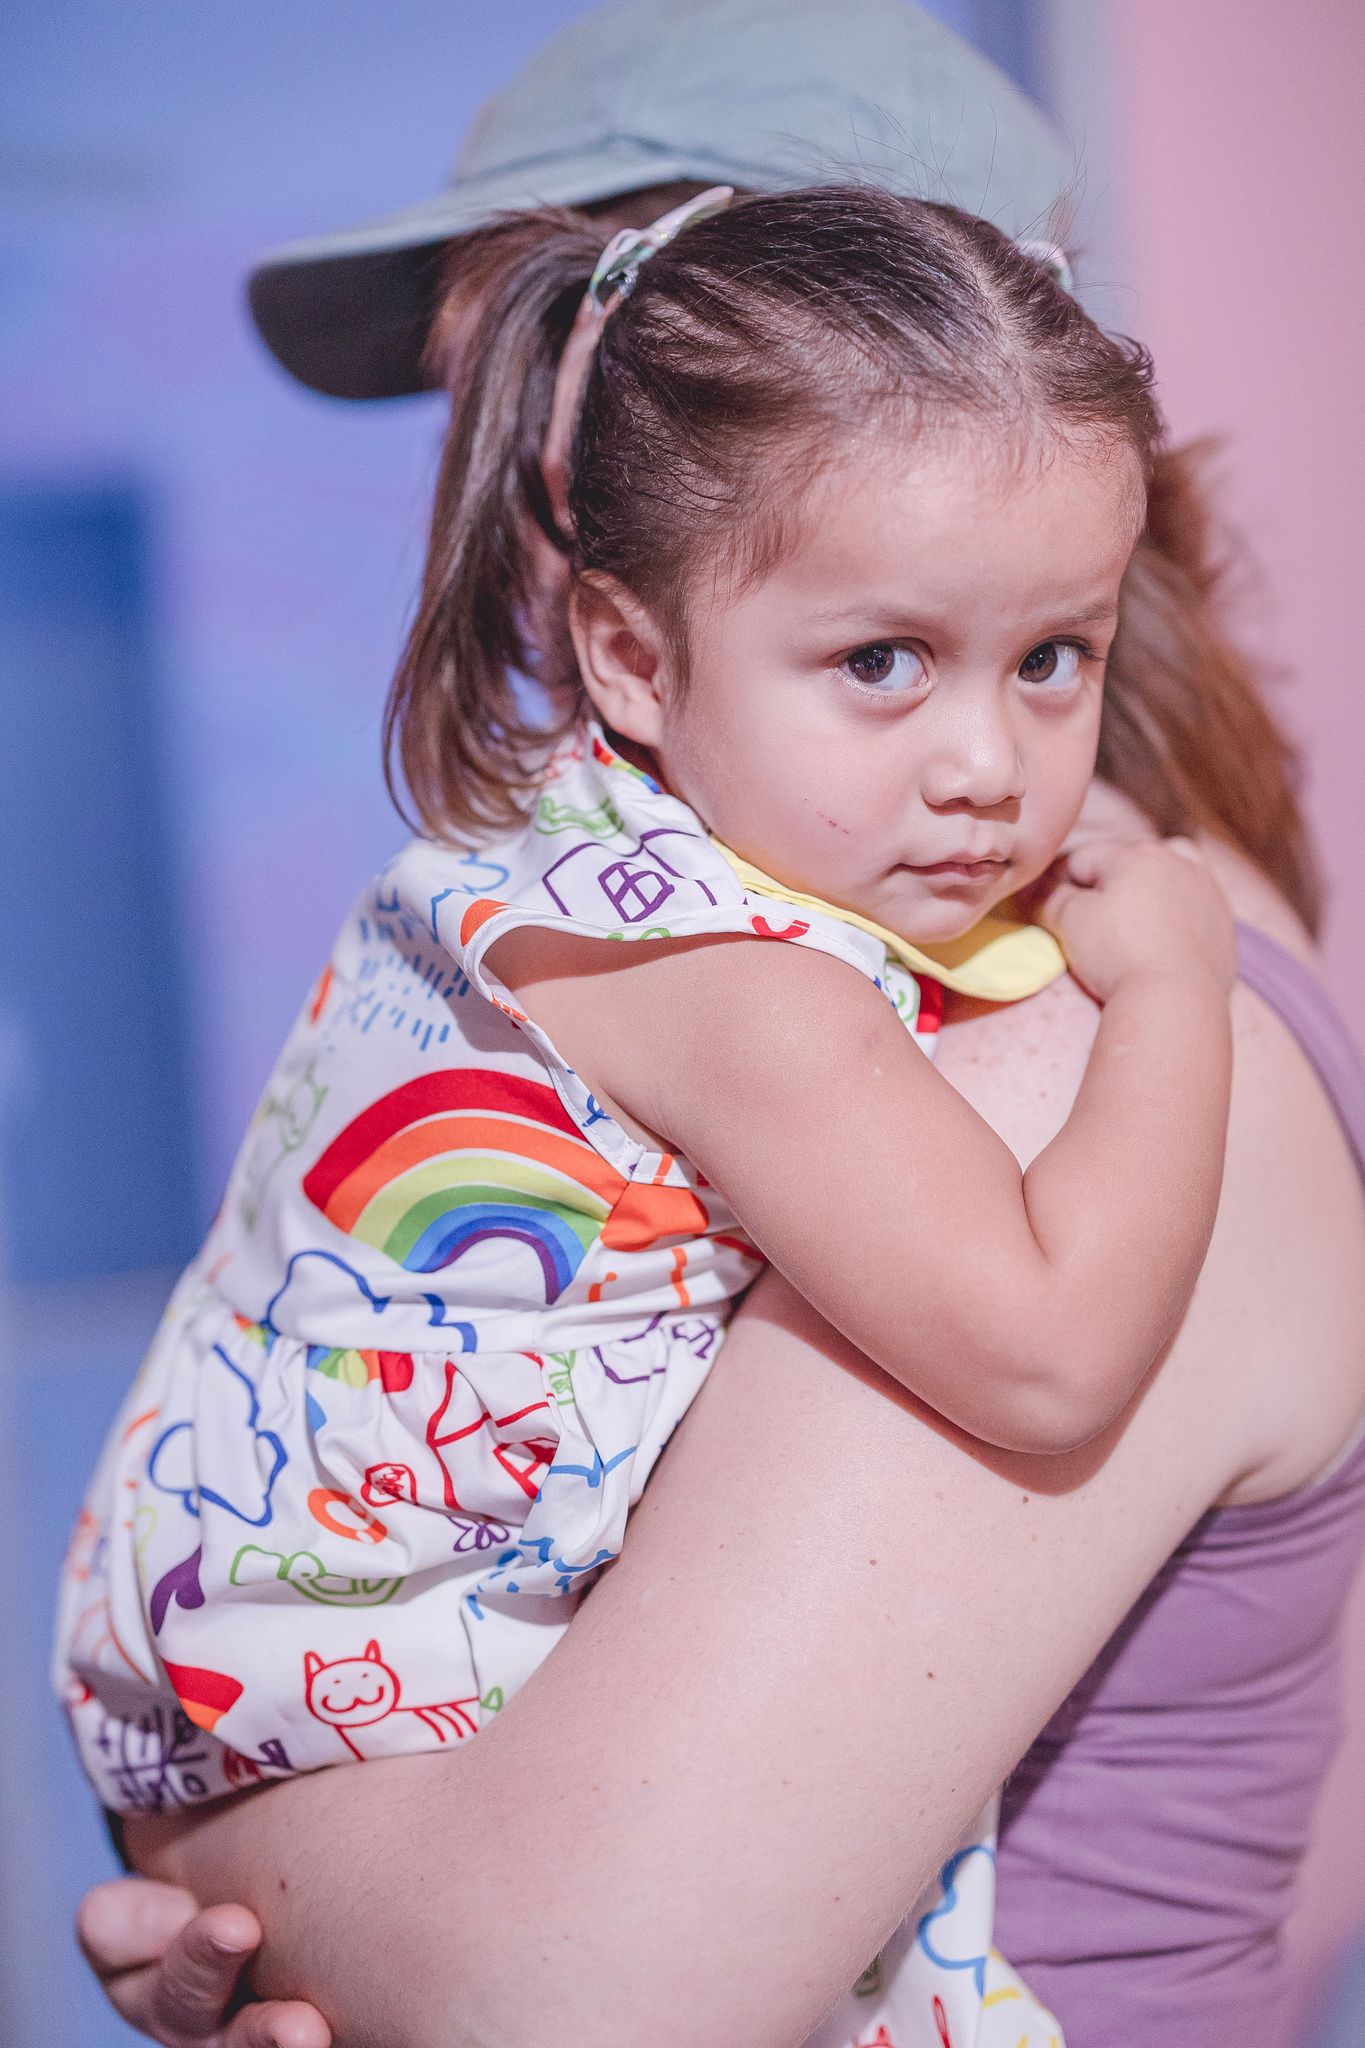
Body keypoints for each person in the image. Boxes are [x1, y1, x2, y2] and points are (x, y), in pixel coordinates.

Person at [69, 5, 1365, 2046]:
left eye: (525, 420)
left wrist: (230, 1872)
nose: (500, 523)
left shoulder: (1070, 1039)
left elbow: (553, 2002)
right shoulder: (901, 968)